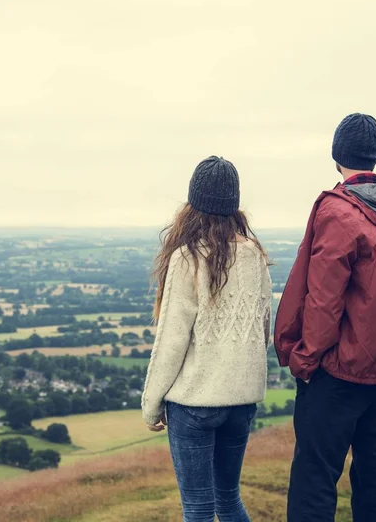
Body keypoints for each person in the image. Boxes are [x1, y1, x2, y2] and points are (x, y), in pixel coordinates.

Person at [275, 113, 376, 522]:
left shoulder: (338, 212)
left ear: (337, 155)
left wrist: (305, 360)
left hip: (337, 370)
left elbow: (324, 300)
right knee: (375, 476)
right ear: (375, 156)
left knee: (314, 480)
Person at [142, 156, 272, 522]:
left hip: (195, 403)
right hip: (242, 401)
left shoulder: (187, 257)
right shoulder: (255, 255)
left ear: (193, 203)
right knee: (229, 501)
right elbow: (262, 330)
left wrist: (152, 404)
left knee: (197, 509)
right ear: (234, 203)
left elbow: (171, 340)